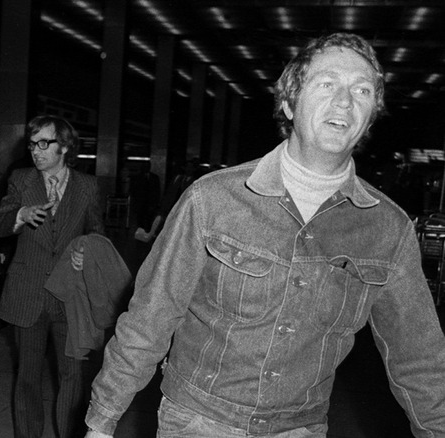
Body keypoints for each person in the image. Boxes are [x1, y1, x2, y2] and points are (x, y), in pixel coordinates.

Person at [85, 33, 445, 438]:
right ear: (289, 104)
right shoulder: (213, 200)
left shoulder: (388, 230)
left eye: (361, 90)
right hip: (198, 421)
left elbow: (419, 357)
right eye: (327, 84)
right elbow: (151, 316)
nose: (344, 101)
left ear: (370, 117)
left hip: (300, 428)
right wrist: (102, 419)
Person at [0, 115, 104, 438]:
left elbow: (97, 233)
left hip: (70, 297)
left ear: (65, 146)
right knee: (28, 377)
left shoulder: (87, 186)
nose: (36, 151)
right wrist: (19, 215)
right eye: (32, 144)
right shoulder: (21, 180)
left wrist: (87, 250)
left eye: (44, 143)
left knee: (72, 378)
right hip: (27, 294)